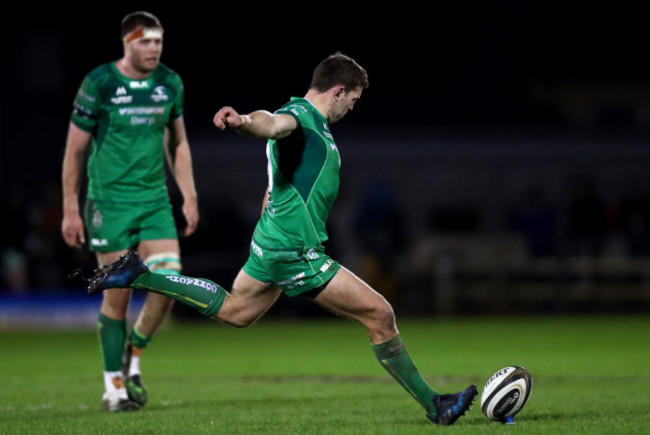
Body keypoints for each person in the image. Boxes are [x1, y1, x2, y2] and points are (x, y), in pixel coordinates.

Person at [87, 52, 476, 424]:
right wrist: (241, 121)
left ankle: (141, 275)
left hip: (273, 237)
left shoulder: (309, 121)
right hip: (293, 247)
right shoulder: (301, 115)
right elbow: (271, 123)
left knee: (236, 311)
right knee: (380, 314)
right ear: (337, 90)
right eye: (353, 100)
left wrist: (267, 224)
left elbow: (276, 182)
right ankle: (435, 405)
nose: (352, 108)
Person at [61, 11, 199, 412]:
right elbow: (75, 150)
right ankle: (114, 388)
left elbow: (178, 144)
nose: (154, 48)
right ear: (128, 43)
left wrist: (188, 195)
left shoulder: (170, 83)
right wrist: (70, 208)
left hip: (154, 200)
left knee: (170, 279)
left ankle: (134, 350)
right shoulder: (100, 83)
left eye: (158, 41)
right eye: (145, 41)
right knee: (118, 295)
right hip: (109, 204)